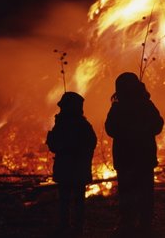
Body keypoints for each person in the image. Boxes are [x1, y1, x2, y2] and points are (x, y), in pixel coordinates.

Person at [105, 72, 164, 237]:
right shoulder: (146, 105)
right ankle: (144, 224)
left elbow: (110, 129)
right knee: (145, 192)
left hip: (125, 158)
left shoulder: (118, 108)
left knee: (126, 191)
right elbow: (158, 125)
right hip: (144, 158)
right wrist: (143, 132)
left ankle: (128, 223)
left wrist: (127, 132)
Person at [46, 91, 97, 235]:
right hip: (77, 169)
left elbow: (54, 144)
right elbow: (91, 143)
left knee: (66, 199)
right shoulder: (83, 125)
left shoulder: (65, 125)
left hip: (68, 168)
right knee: (75, 200)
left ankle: (68, 226)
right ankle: (74, 227)